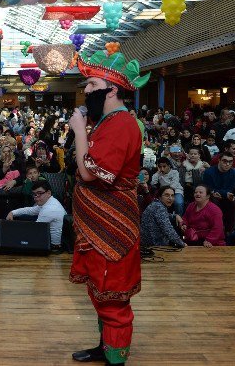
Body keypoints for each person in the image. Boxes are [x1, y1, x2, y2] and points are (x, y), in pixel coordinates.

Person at [68, 48, 149, 366]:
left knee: (114, 300)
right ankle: (105, 348)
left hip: (111, 230)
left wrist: (78, 131)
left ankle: (116, 359)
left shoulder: (120, 125)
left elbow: (90, 172)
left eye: (90, 84)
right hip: (99, 227)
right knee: (101, 295)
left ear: (111, 89)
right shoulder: (109, 122)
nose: (85, 91)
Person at [7, 179, 65, 249]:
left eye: (40, 193)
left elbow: (34, 233)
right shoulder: (50, 201)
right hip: (52, 243)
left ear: (49, 193)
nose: (36, 197)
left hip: (54, 249)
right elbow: (30, 210)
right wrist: (12, 212)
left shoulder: (49, 209)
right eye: (34, 194)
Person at [203, 152, 235, 233]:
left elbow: (231, 189)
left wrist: (224, 194)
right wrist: (216, 193)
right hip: (211, 196)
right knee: (214, 201)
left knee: (232, 203)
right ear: (219, 160)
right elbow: (208, 188)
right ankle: (216, 229)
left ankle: (229, 231)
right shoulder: (209, 172)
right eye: (225, 161)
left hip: (226, 196)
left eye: (230, 162)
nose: (227, 164)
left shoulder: (233, 173)